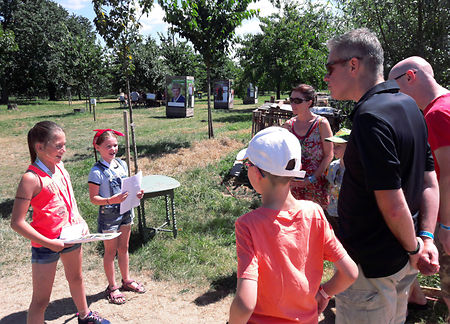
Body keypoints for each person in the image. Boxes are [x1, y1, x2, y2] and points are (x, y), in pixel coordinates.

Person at [324, 28, 439, 324]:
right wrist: (425, 237)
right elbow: (429, 180)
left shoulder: (370, 117)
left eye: (329, 67)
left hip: (372, 267)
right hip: (400, 260)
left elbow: (392, 201)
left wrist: (416, 247)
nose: (326, 77)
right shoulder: (410, 107)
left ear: (353, 65)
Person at [228, 126, 358, 324]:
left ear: (256, 173)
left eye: (249, 165)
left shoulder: (248, 226)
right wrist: (324, 293)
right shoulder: (314, 213)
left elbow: (245, 303)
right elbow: (350, 272)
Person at [10, 121, 110, 324]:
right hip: (45, 245)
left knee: (77, 278)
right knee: (41, 300)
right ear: (39, 147)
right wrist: (49, 243)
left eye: (64, 145)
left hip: (71, 236)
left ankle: (85, 316)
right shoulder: (30, 178)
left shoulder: (60, 167)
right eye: (58, 146)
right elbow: (17, 222)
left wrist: (79, 220)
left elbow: (69, 199)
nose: (63, 150)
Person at [389, 56, 450, 315]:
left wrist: (446, 226)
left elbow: (447, 175)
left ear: (410, 78)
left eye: (393, 88)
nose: (392, 97)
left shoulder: (437, 114)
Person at [88, 129, 146, 305]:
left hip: (126, 211)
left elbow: (126, 187)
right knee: (110, 251)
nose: (113, 149)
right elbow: (93, 199)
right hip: (109, 216)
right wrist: (110, 200)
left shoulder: (121, 164)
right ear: (97, 147)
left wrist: (137, 193)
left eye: (115, 145)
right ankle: (112, 286)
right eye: (108, 146)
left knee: (124, 248)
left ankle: (126, 280)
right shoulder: (96, 171)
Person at [282, 84, 333, 209]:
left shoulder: (321, 124)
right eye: (291, 100)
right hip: (293, 186)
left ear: (309, 102)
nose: (293, 104)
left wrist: (311, 179)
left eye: (298, 101)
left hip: (315, 186)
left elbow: (329, 154)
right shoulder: (289, 125)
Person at [324, 128, 351, 232]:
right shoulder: (333, 166)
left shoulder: (356, 169)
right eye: (334, 146)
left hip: (349, 215)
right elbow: (329, 186)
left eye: (338, 146)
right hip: (332, 212)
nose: (334, 149)